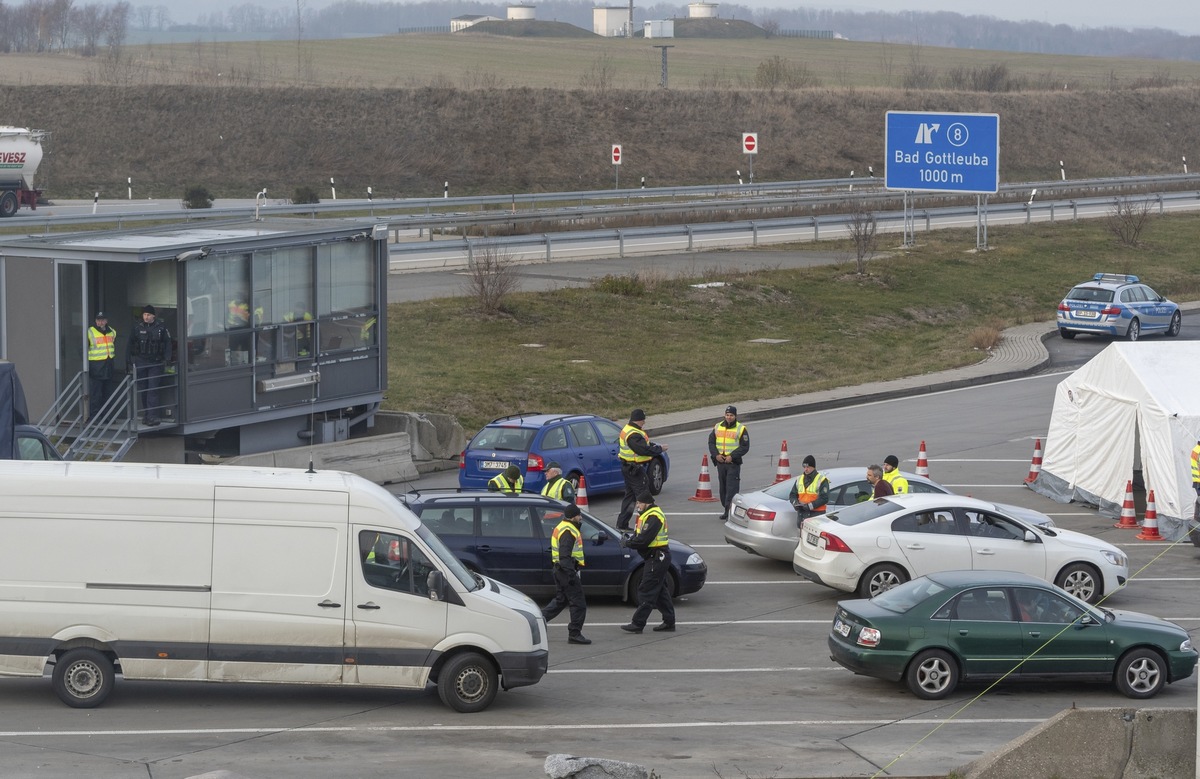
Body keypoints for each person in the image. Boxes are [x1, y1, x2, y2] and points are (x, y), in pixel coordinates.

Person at [620, 491, 675, 633]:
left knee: (646, 590)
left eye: (639, 503)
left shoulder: (653, 517)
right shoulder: (646, 515)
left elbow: (644, 540)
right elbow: (640, 535)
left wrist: (628, 544)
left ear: (647, 503)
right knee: (661, 591)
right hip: (654, 557)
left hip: (657, 557)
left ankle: (638, 623)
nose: (637, 505)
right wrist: (630, 540)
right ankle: (669, 622)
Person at [541, 503, 590, 645]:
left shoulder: (564, 527)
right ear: (573, 516)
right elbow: (564, 556)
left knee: (561, 600)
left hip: (560, 570)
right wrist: (571, 576)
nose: (580, 517)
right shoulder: (568, 531)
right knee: (579, 603)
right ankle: (575, 633)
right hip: (566, 571)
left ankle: (539, 620)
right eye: (579, 515)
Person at [616, 409, 667, 530]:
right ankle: (650, 523)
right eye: (643, 420)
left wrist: (655, 446)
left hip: (629, 468)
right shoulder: (633, 434)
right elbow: (642, 450)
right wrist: (659, 449)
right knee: (644, 496)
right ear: (639, 420)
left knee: (630, 497)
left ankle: (622, 523)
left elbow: (644, 444)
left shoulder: (630, 429)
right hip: (634, 469)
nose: (644, 422)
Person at [127, 304, 173, 426]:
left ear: (153, 315)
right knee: (144, 389)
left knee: (153, 389)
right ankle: (147, 415)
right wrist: (128, 360)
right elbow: (130, 344)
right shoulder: (137, 328)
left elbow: (168, 343)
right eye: (144, 314)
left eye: (148, 315)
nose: (146, 317)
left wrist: (167, 358)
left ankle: (153, 416)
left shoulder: (161, 328)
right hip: (141, 361)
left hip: (155, 363)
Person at [708, 405, 749, 521]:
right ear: (724, 415)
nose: (729, 417)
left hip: (732, 463)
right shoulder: (717, 427)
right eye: (727, 415)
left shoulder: (741, 429)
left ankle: (730, 511)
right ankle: (726, 509)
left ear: (735, 416)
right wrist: (716, 455)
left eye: (731, 415)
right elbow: (711, 442)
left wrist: (732, 456)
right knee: (723, 488)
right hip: (721, 462)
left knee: (732, 488)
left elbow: (745, 447)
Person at [86, 311, 116, 419]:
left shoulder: (112, 332)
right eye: (98, 320)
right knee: (96, 394)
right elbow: (83, 349)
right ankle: (95, 417)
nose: (100, 322)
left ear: (106, 321)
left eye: (102, 320)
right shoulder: (90, 332)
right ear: (95, 321)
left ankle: (107, 417)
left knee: (108, 394)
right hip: (96, 367)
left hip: (108, 367)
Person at [788, 455, 830, 526]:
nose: (805, 469)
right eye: (804, 467)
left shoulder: (822, 480)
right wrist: (795, 503)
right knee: (802, 535)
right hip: (802, 515)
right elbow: (792, 495)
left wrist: (810, 506)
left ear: (813, 467)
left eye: (808, 467)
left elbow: (824, 498)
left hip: (816, 515)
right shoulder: (799, 479)